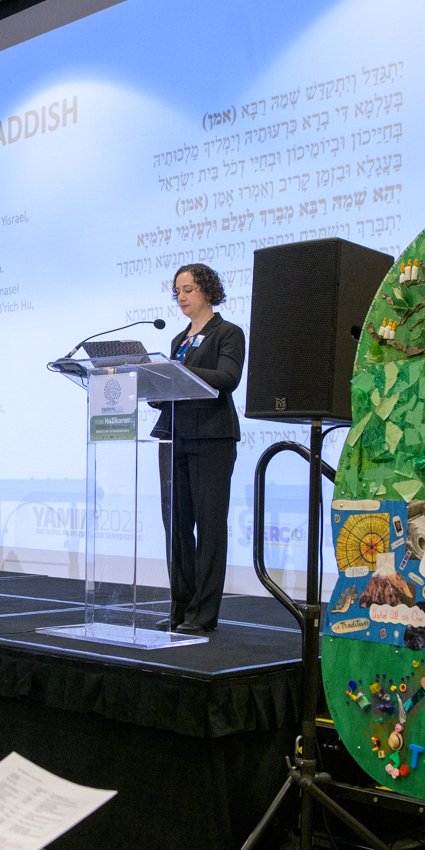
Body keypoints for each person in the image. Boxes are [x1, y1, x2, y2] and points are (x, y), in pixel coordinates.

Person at [151, 262, 245, 634]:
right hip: (174, 435)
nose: (181, 297)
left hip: (212, 437)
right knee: (175, 527)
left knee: (208, 527)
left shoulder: (228, 333)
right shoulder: (178, 340)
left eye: (187, 289)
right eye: (177, 291)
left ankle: (202, 615)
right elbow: (174, 385)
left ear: (206, 290)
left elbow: (227, 378)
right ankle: (180, 609)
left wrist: (178, 373)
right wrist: (156, 386)